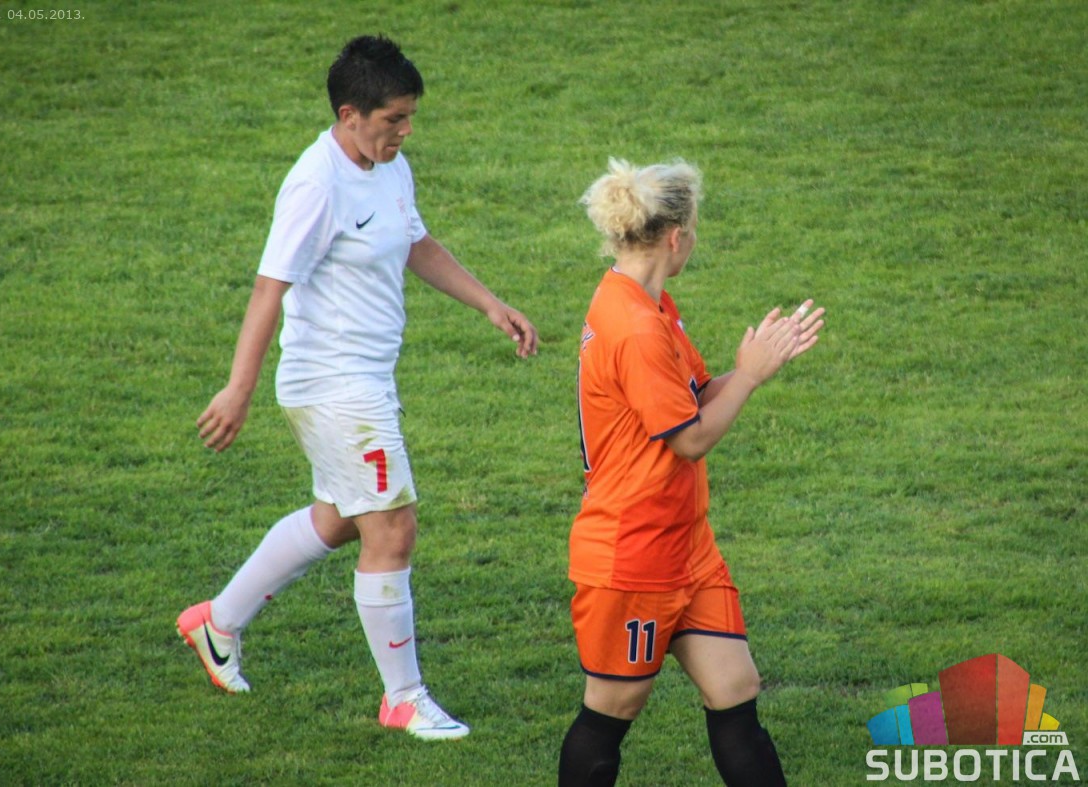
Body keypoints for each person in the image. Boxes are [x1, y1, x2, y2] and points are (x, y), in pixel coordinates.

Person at [177, 35, 537, 742]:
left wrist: (489, 303)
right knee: (393, 526)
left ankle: (216, 621)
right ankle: (403, 697)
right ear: (350, 115)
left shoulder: (387, 165)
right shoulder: (316, 185)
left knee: (343, 518)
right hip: (334, 384)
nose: (406, 132)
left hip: (366, 378)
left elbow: (415, 242)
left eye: (409, 118)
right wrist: (238, 389)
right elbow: (269, 288)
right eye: (394, 119)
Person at [558, 158, 824, 785]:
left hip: (685, 546)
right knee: (612, 709)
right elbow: (691, 438)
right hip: (632, 556)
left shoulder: (647, 303)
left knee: (734, 687)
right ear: (676, 237)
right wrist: (750, 377)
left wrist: (758, 363)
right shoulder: (633, 326)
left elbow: (696, 396)